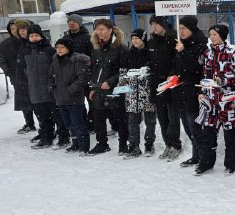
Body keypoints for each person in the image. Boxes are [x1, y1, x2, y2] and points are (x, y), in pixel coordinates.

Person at [195, 23, 235, 175]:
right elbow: (204, 76)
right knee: (208, 134)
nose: (212, 37)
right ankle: (206, 163)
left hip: (228, 101)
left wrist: (224, 80)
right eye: (210, 35)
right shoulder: (207, 54)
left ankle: (231, 164)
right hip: (210, 101)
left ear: (222, 36)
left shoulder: (232, 54)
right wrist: (202, 92)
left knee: (230, 134)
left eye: (215, 34)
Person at [171, 15, 208, 168]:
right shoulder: (182, 44)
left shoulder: (201, 45)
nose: (181, 31)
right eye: (179, 28)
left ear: (191, 28)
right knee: (187, 125)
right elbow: (178, 65)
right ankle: (196, 154)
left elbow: (194, 66)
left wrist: (183, 52)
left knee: (195, 126)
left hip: (194, 90)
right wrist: (172, 75)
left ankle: (202, 157)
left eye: (184, 28)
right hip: (181, 89)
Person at [88, 18, 129, 155]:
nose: (99, 32)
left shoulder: (121, 48)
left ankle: (123, 144)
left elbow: (124, 71)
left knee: (120, 118)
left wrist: (110, 82)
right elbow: (94, 70)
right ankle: (102, 144)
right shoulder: (96, 48)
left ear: (110, 30)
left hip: (116, 89)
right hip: (99, 89)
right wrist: (93, 87)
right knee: (98, 118)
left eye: (102, 29)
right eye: (97, 29)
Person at [25, 24, 68, 149]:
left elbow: (57, 67)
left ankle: (63, 138)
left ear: (41, 36)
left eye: (36, 35)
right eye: (31, 36)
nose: (34, 38)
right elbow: (23, 69)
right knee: (42, 117)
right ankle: (46, 138)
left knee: (57, 115)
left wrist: (54, 83)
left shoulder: (49, 50)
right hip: (35, 90)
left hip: (50, 89)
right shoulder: (25, 51)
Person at [148, 16, 182, 161]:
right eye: (152, 24)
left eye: (157, 24)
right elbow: (150, 61)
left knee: (173, 117)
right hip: (156, 85)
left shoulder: (174, 39)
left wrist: (171, 75)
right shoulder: (151, 41)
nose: (154, 27)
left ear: (163, 24)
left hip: (171, 84)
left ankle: (175, 145)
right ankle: (168, 144)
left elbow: (177, 61)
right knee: (162, 117)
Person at [50, 37, 91, 154]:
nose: (59, 49)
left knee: (78, 123)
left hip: (74, 98)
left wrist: (70, 89)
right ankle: (75, 144)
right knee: (68, 124)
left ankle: (84, 146)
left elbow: (82, 78)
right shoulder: (55, 60)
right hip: (61, 98)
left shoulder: (76, 60)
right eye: (57, 47)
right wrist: (52, 86)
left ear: (69, 48)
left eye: (62, 47)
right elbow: (50, 74)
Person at [120, 28, 157, 158]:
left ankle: (149, 144)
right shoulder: (129, 53)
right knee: (132, 121)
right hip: (131, 94)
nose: (135, 41)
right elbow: (123, 72)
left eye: (137, 38)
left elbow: (154, 70)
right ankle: (134, 146)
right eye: (133, 39)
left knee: (150, 121)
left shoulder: (150, 53)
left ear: (143, 38)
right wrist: (123, 86)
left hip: (147, 92)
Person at [0, 18, 36, 134]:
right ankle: (29, 123)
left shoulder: (29, 41)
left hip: (33, 76)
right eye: (12, 28)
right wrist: (9, 72)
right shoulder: (5, 44)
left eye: (17, 28)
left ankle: (45, 122)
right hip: (17, 77)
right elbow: (2, 61)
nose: (15, 30)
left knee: (38, 100)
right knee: (24, 102)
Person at [12, 19, 38, 137]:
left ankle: (45, 128)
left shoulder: (32, 43)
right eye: (20, 29)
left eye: (24, 29)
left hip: (33, 79)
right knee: (25, 103)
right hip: (21, 78)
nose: (22, 31)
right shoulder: (22, 44)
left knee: (38, 104)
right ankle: (31, 124)